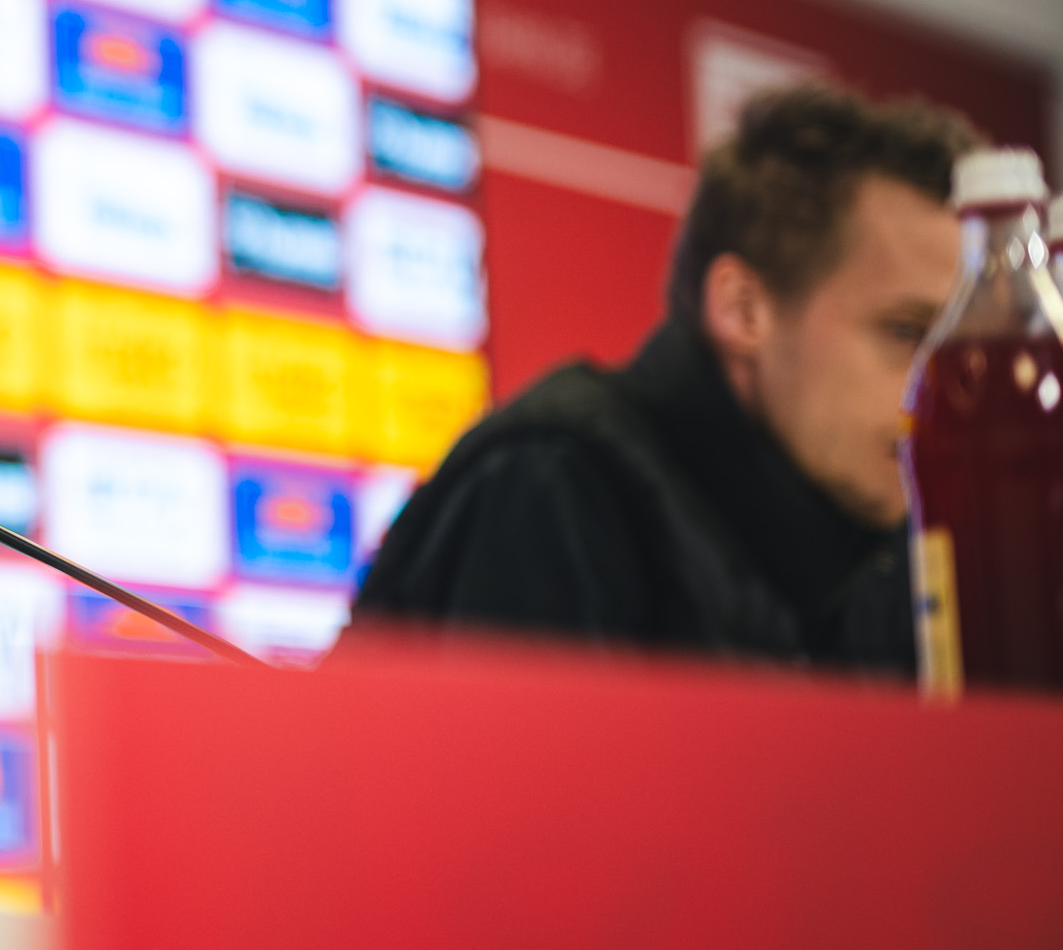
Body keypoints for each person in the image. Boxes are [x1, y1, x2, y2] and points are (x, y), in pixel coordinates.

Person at [352, 83, 976, 675]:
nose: (946, 393)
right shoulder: (553, 482)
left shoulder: (888, 551)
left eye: (961, 346)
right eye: (907, 333)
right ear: (743, 310)